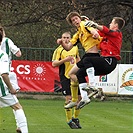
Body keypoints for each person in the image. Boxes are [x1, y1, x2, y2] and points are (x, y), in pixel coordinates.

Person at [75, 16, 125, 109]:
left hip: (110, 61)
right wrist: (88, 21)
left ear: (116, 25)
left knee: (87, 59)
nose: (110, 24)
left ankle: (93, 86)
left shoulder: (117, 33)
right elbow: (95, 31)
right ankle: (85, 98)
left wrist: (95, 25)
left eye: (111, 22)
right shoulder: (106, 36)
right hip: (105, 64)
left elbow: (105, 30)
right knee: (80, 73)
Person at [57, 12, 103, 109]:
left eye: (76, 19)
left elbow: (94, 31)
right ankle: (84, 97)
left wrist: (95, 34)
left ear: (79, 18)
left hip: (93, 55)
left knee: (76, 70)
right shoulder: (77, 34)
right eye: (73, 20)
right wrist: (61, 43)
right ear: (72, 23)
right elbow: (68, 47)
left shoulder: (84, 24)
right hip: (88, 55)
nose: (75, 21)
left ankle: (92, 87)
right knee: (73, 73)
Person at [0, 27, 28, 133]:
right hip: (6, 74)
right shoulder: (7, 41)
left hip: (5, 75)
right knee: (15, 103)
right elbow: (18, 53)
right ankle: (20, 126)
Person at [52, 32, 82, 129]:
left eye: (68, 38)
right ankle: (69, 120)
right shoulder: (59, 50)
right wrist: (65, 60)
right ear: (61, 38)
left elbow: (78, 59)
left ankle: (75, 118)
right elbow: (54, 63)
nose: (66, 39)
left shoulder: (75, 47)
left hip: (75, 75)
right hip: (65, 76)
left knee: (79, 98)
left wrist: (81, 67)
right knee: (68, 99)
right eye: (64, 38)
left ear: (71, 38)